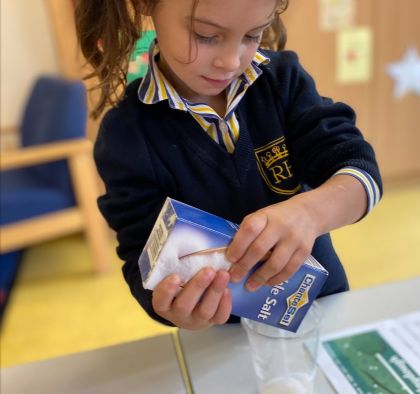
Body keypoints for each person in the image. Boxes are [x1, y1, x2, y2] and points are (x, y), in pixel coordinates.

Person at [75, 0, 382, 330]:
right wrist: (170, 306)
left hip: (322, 309)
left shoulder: (283, 82)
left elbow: (357, 168)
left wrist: (311, 213)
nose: (230, 61)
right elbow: (142, 255)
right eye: (206, 35)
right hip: (224, 334)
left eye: (252, 35)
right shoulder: (126, 134)